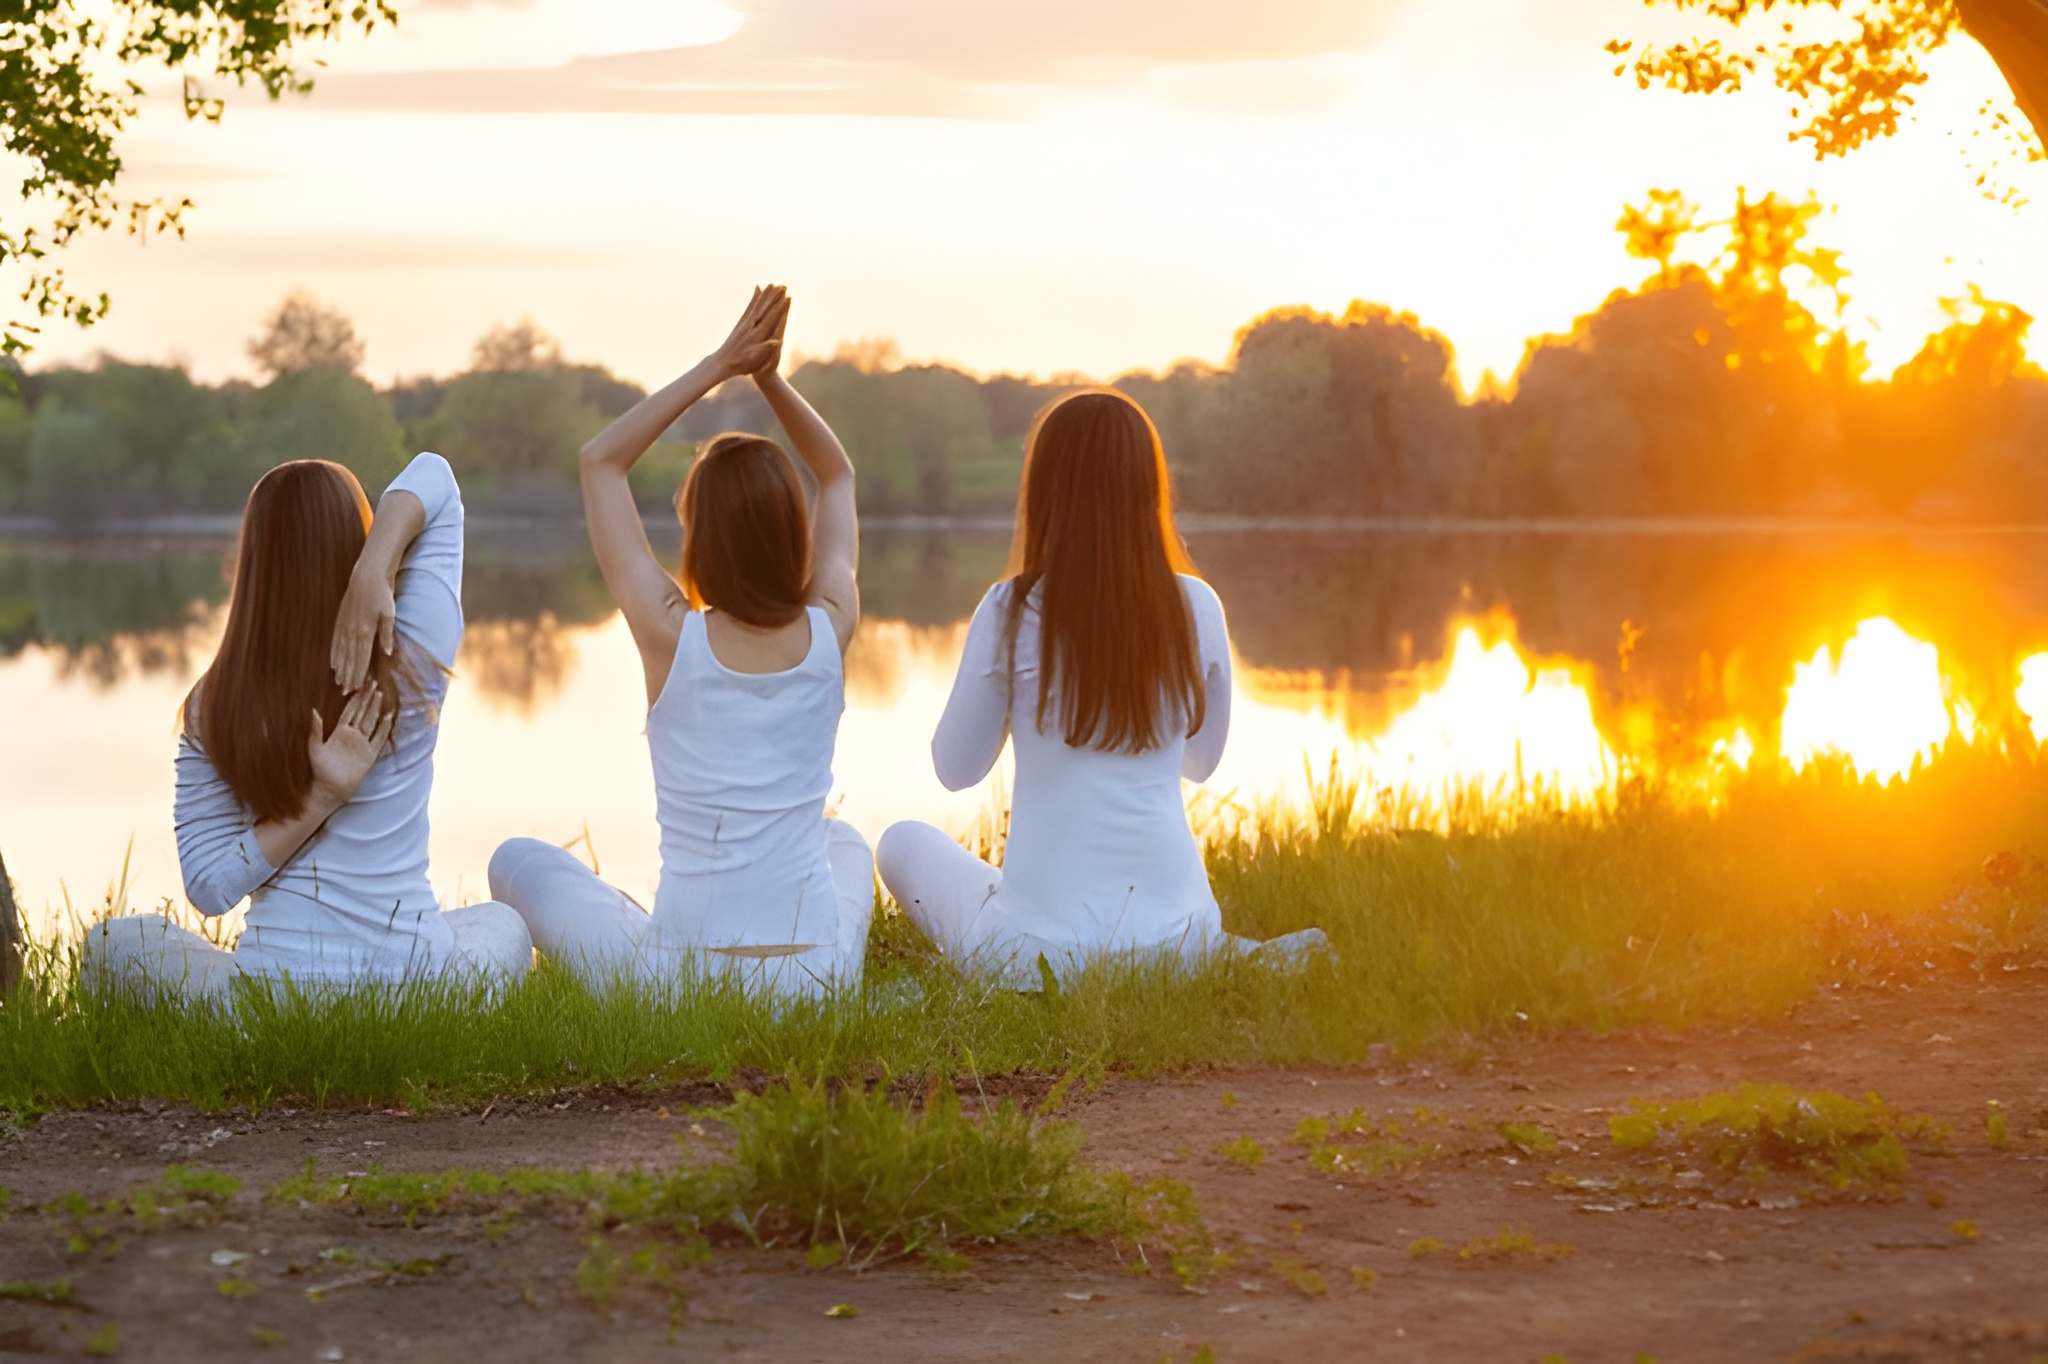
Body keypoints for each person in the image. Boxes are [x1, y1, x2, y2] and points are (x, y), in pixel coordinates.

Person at [488, 286, 874, 1001]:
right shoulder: (832, 623)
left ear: (702, 538)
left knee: (515, 860)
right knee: (843, 842)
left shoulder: (668, 634)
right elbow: (838, 474)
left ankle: (644, 925)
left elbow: (601, 460)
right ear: (794, 532)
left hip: (679, 986)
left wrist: (718, 366)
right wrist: (769, 379)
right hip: (814, 983)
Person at [876, 388, 1319, 986]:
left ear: (1044, 490)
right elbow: (1199, 763)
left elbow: (955, 769)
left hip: (1041, 960)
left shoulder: (1010, 608)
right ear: (1149, 488)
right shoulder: (1199, 606)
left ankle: (1040, 911)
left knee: (902, 842)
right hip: (1181, 944)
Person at [84, 452, 532, 1002]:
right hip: (422, 992)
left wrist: (312, 805)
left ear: (255, 564)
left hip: (272, 1003)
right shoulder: (412, 654)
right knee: (500, 925)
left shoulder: (216, 700)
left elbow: (208, 887)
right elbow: (436, 477)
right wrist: (375, 568)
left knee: (115, 943)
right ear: (356, 539)